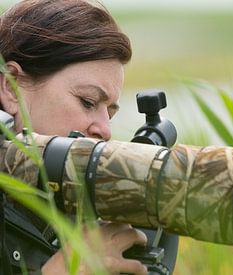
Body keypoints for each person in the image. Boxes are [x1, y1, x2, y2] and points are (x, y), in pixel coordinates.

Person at [0, 0, 148, 274]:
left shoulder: (76, 204)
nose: (105, 130)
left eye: (110, 113)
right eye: (88, 101)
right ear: (11, 88)